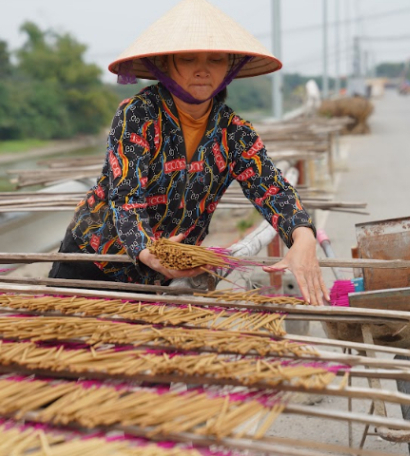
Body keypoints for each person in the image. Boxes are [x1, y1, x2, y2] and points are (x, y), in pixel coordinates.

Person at [50, 0, 329, 305]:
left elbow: (274, 191)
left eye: (216, 59)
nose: (202, 70)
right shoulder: (137, 115)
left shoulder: (234, 133)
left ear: (230, 66)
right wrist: (148, 252)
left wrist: (302, 236)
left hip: (160, 277)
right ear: (166, 65)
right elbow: (126, 199)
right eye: (187, 58)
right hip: (93, 262)